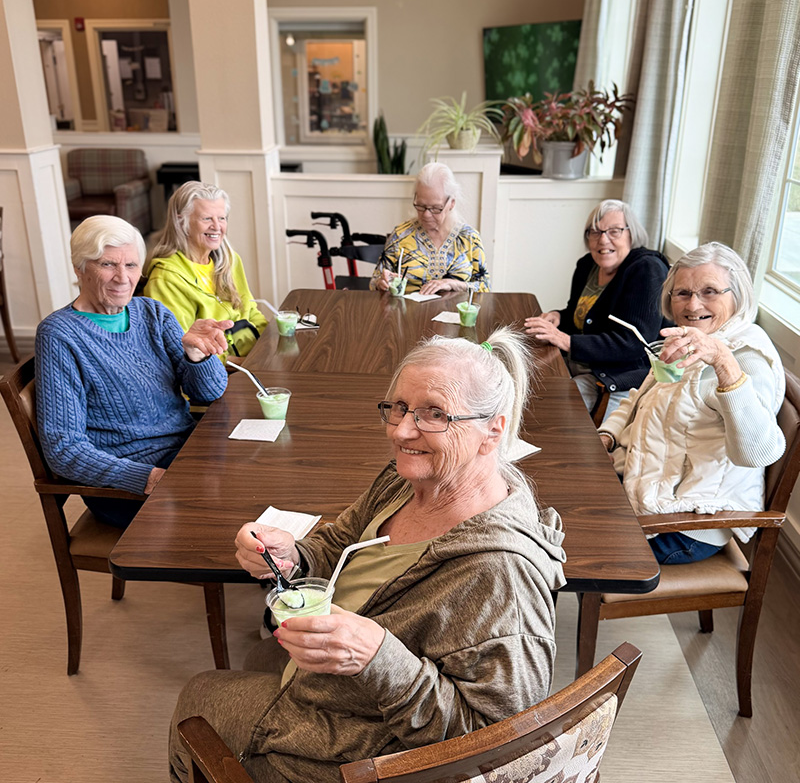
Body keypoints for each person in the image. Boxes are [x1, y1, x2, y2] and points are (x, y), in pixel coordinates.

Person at [169, 328, 566, 783]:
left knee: (198, 695)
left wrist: (379, 658)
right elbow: (340, 542)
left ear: (492, 430)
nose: (401, 431)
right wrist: (294, 557)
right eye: (398, 407)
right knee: (261, 658)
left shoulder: (500, 575)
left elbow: (492, 745)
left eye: (434, 414)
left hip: (369, 751)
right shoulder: (408, 478)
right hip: (335, 678)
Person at [35, 215, 230, 529]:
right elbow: (63, 449)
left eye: (131, 265)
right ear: (79, 268)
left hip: (185, 453)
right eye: (108, 264)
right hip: (126, 484)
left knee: (265, 474)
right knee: (241, 505)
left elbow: (210, 392)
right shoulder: (60, 336)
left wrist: (197, 356)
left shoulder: (151, 313)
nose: (122, 278)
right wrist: (147, 478)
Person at [598, 243, 785, 564]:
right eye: (682, 293)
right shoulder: (686, 340)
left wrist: (723, 362)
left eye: (710, 291)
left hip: (687, 523)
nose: (693, 304)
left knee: (567, 545)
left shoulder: (747, 357)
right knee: (553, 505)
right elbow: (638, 399)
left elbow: (757, 453)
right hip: (644, 485)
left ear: (737, 295)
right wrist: (608, 435)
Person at [524, 199, 669, 415]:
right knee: (523, 377)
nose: (603, 239)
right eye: (595, 232)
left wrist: (565, 340)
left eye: (614, 231)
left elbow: (634, 343)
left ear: (631, 234)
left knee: (547, 406)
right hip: (581, 362)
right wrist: (559, 317)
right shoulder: (587, 266)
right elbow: (582, 316)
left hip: (615, 375)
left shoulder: (647, 270)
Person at [144, 181, 267, 363]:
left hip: (253, 357)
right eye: (207, 219)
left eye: (222, 218)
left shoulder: (230, 261)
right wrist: (247, 363)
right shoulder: (165, 279)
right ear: (181, 222)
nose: (217, 227)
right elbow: (182, 348)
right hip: (219, 372)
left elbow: (251, 311)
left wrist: (270, 344)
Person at [370, 162, 491, 295]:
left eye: (435, 208)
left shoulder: (469, 238)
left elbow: (485, 287)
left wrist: (453, 284)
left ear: (451, 203)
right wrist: (380, 283)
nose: (426, 214)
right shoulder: (401, 235)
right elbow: (374, 282)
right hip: (408, 314)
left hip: (456, 315)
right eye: (421, 206)